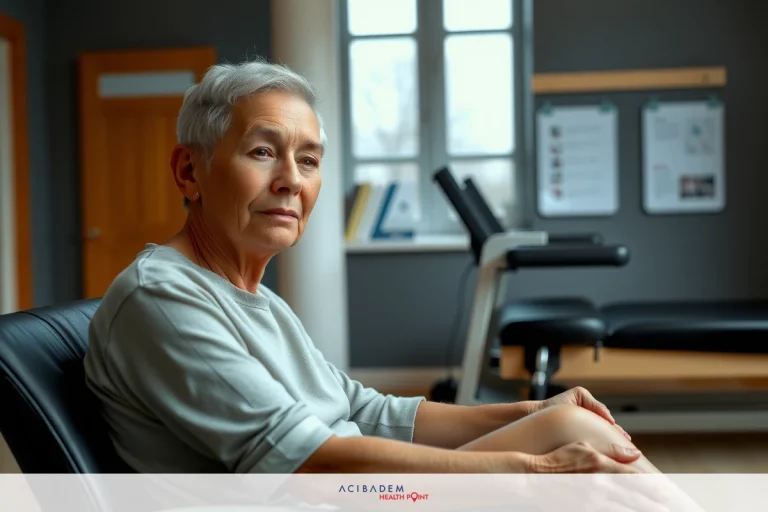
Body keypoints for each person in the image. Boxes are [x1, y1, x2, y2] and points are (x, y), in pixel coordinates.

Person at [83, 59, 661, 476]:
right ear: (189, 172)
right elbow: (306, 461)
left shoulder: (259, 301)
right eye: (263, 151)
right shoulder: (160, 296)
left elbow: (364, 411)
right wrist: (527, 467)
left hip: (358, 492)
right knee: (574, 438)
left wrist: (531, 409)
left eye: (308, 160)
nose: (291, 179)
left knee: (572, 426)